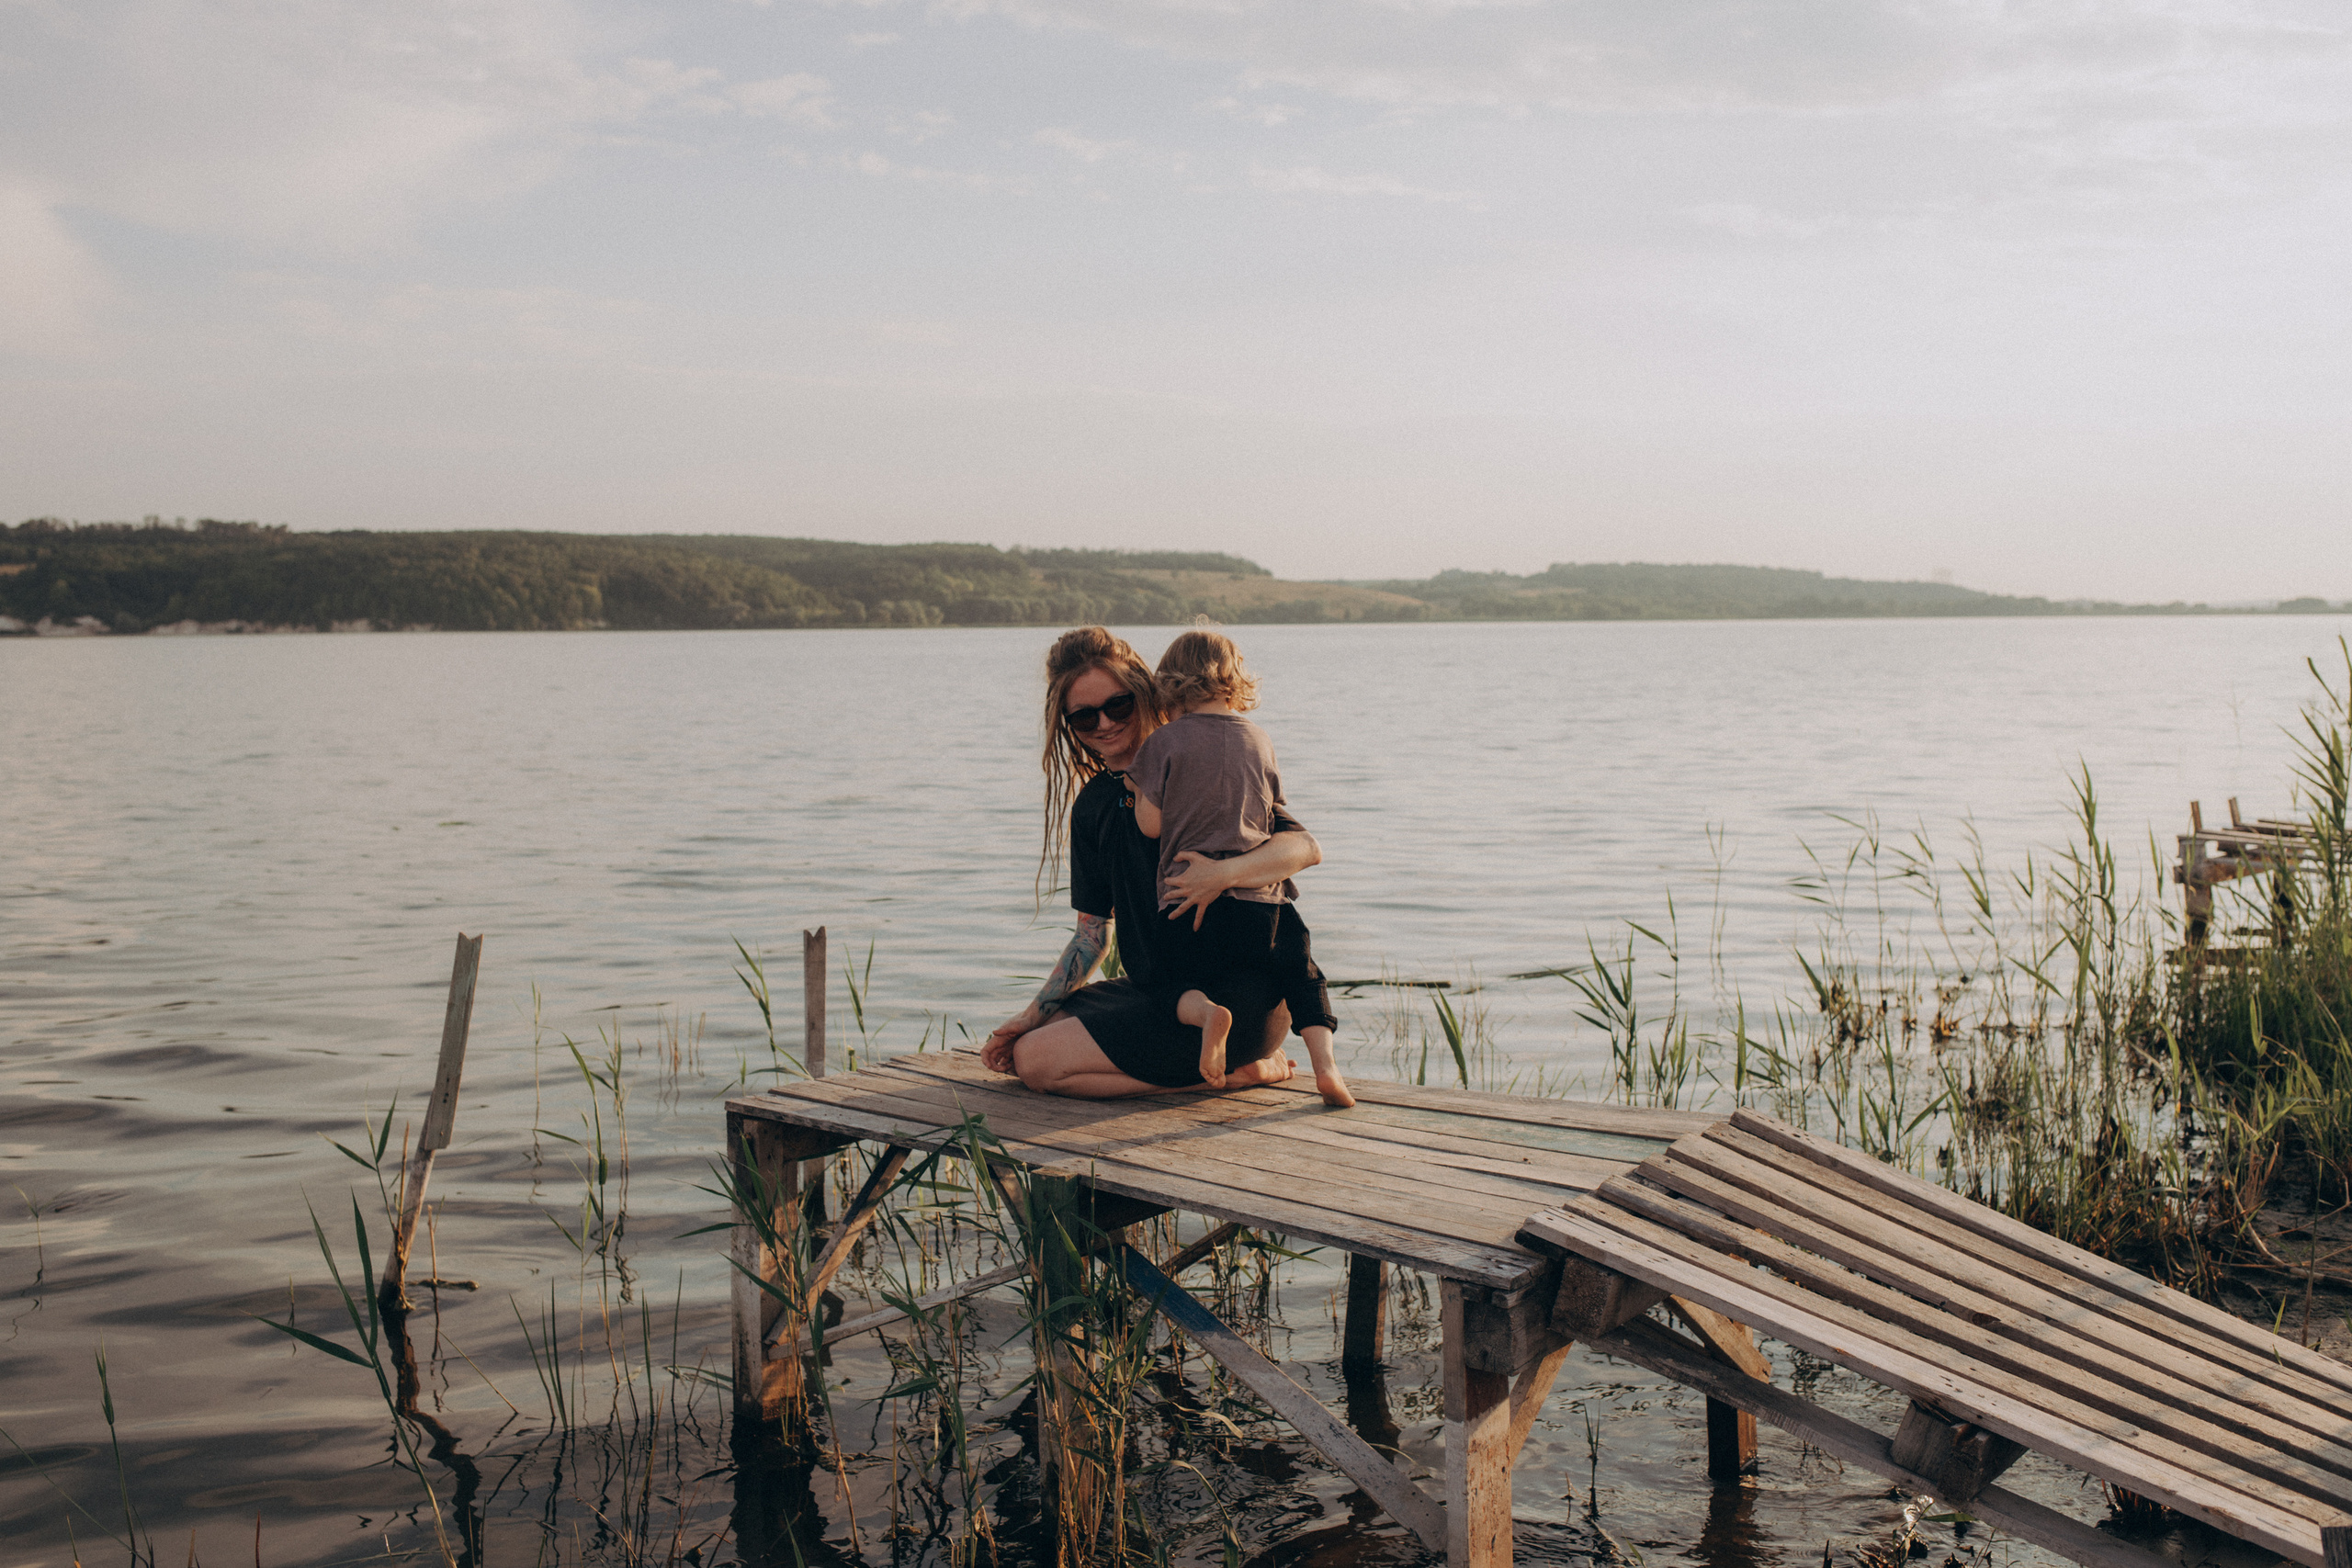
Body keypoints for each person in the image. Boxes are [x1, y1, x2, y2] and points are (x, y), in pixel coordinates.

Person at [978, 626, 1324, 1098]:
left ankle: (1239, 1071)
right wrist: (1029, 1015)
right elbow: (1092, 934)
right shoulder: (1094, 805)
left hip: (1239, 997)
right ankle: (1220, 1072)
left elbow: (1304, 848)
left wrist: (1221, 875)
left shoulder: (1202, 766)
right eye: (1083, 717)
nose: (1103, 724)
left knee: (1035, 1063)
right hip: (1166, 993)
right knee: (1041, 1031)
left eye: (1117, 705)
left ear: (1146, 692)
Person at [1128, 629, 1351, 1106]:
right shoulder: (1260, 739)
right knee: (1303, 974)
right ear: (1234, 681)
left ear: (1170, 685)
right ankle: (1327, 1067)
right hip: (1263, 901)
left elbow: (1150, 825)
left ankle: (1210, 1014)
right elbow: (1273, 813)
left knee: (1168, 982)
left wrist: (1137, 792)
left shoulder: (1163, 742)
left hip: (1188, 897)